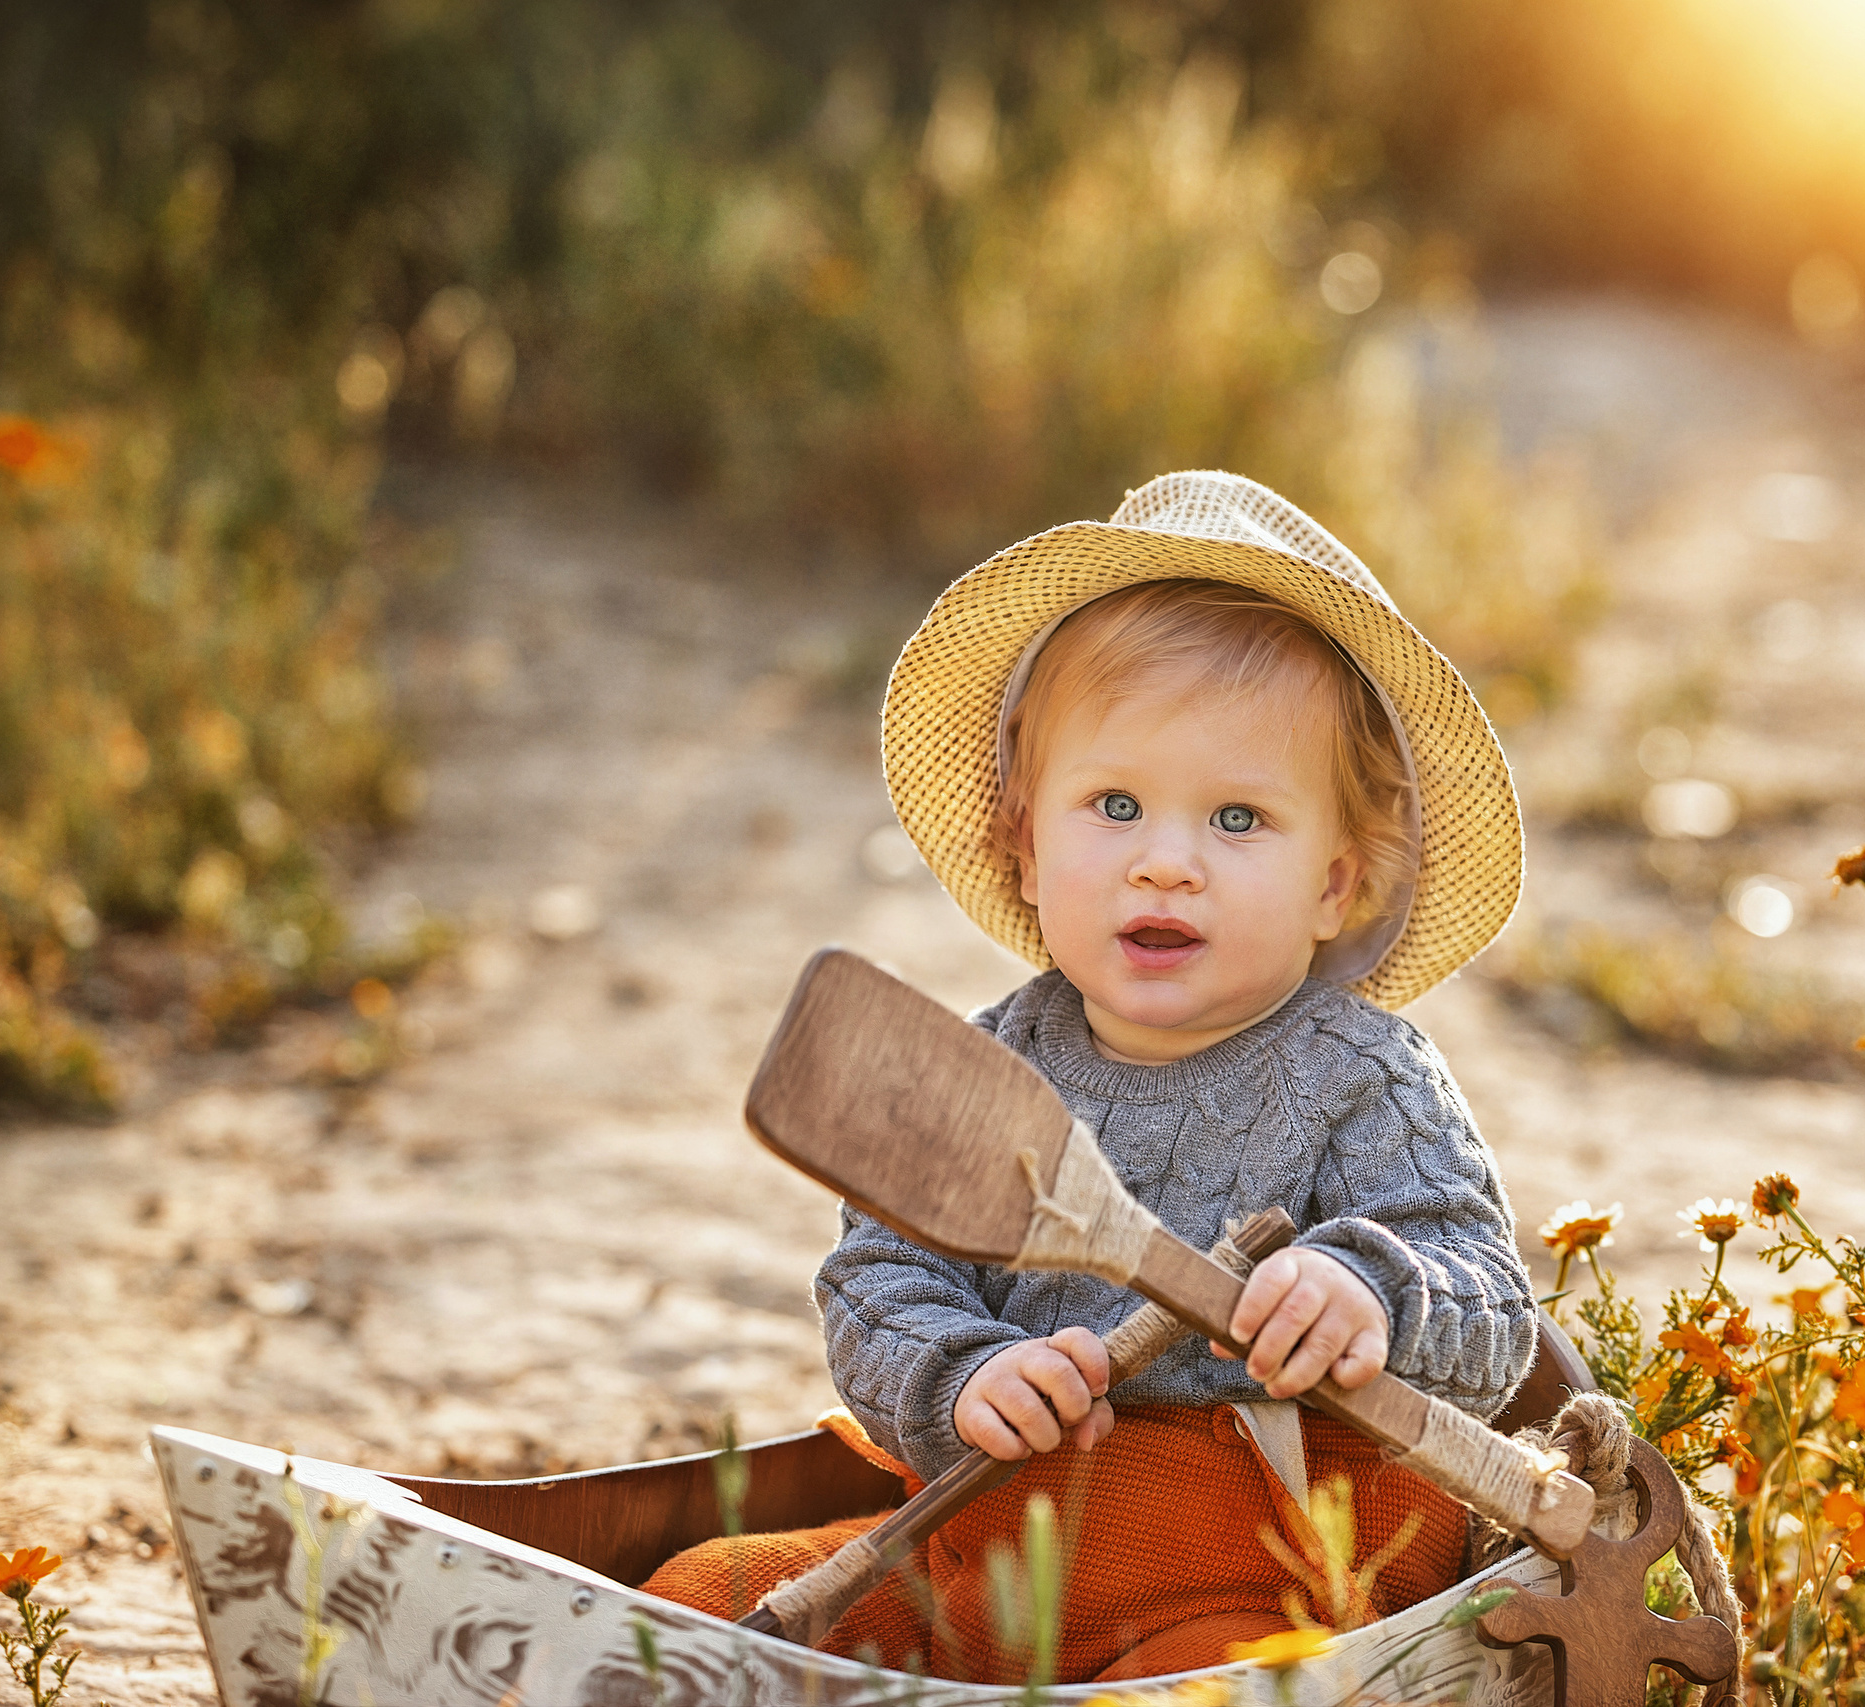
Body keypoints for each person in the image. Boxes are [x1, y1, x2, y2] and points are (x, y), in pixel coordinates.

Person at [643, 471, 1537, 1682]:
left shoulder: (1361, 1077)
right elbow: (875, 1278)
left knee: (1234, 1683)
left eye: (1237, 820)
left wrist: (1364, 1289)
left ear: (1336, 881)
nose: (1165, 865)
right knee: (694, 1601)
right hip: (990, 1544)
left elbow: (1488, 1301)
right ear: (1020, 837)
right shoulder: (988, 1070)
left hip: (1260, 1563)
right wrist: (964, 1376)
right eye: (1113, 805)